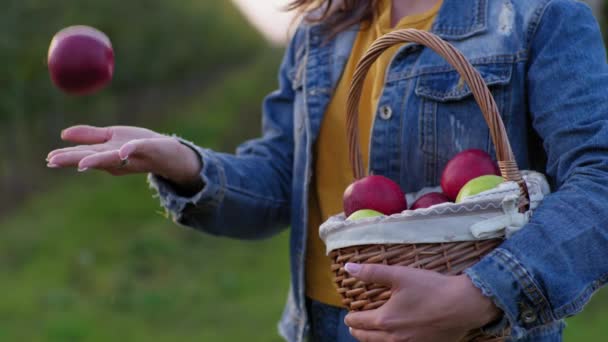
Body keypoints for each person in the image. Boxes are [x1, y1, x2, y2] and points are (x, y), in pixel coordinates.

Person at [47, 0, 608, 341]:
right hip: (323, 327)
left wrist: (481, 295)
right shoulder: (322, 33)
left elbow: (598, 181)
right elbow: (280, 184)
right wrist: (186, 163)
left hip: (470, 332)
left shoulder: (540, 18)